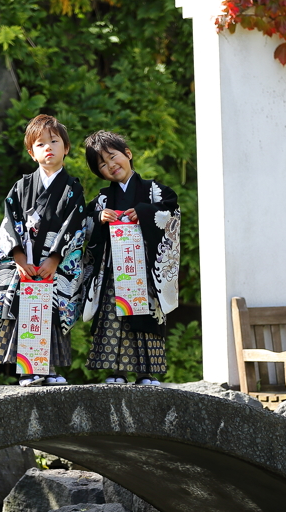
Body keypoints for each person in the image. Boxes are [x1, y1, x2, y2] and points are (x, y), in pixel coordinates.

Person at [0, 114, 89, 386]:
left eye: (54, 141)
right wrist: (19, 259)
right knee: (27, 312)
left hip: (54, 265)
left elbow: (75, 225)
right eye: (40, 144)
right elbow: (9, 223)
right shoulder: (21, 187)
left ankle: (50, 369)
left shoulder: (72, 189)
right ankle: (28, 370)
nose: (49, 148)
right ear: (31, 153)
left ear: (66, 148)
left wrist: (56, 259)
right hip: (27, 263)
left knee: (53, 313)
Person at [80, 130, 182, 386]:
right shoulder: (103, 199)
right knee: (113, 317)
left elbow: (170, 212)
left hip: (145, 271)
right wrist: (99, 219)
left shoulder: (155, 191)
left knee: (145, 316)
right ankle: (116, 371)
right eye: (102, 164)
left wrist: (145, 212)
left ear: (128, 154)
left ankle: (146, 372)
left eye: (113, 157)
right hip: (115, 270)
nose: (110, 165)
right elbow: (83, 224)